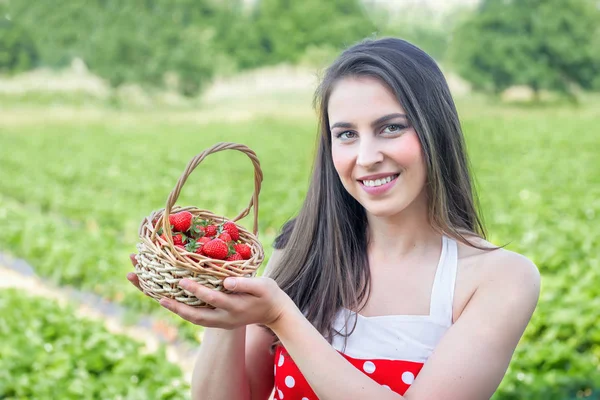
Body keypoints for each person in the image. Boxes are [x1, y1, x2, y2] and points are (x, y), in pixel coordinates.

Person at [127, 37, 541, 400]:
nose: (366, 157)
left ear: (435, 130)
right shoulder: (301, 252)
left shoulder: (500, 279)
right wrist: (219, 294)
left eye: (391, 127)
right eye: (346, 134)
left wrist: (281, 317)